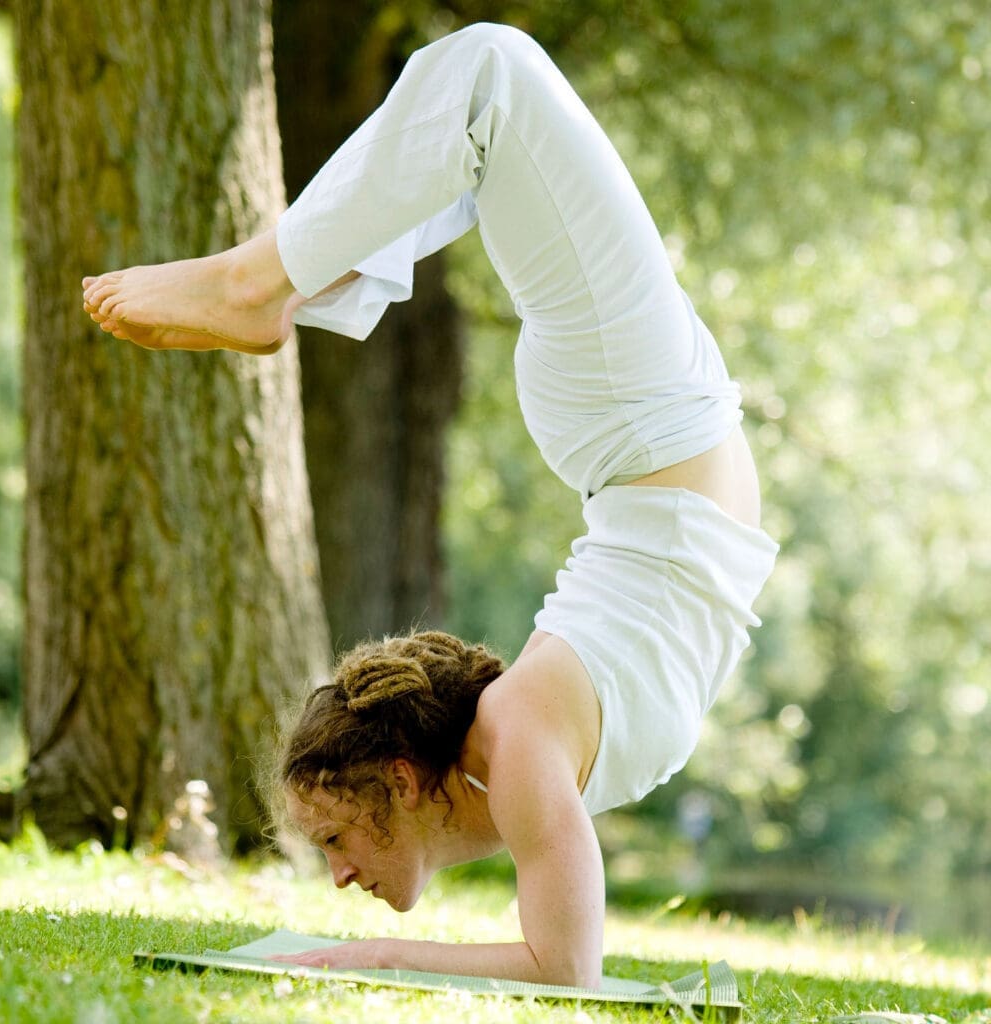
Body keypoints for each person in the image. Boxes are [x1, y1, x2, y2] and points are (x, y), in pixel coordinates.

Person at [82, 23, 778, 988]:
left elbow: (562, 964)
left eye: (332, 837)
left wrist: (371, 956)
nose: (336, 875)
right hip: (650, 432)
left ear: (400, 783)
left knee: (489, 76)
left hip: (646, 424)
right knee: (484, 120)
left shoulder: (522, 734)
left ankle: (263, 280)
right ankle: (293, 283)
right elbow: (565, 965)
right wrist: (378, 954)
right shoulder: (522, 755)